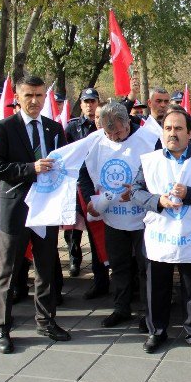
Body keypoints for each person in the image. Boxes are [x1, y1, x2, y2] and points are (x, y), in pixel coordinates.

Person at [126, 109, 191, 357]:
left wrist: (189, 194)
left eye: (178, 128)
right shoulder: (149, 161)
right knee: (156, 287)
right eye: (168, 128)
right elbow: (136, 193)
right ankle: (157, 332)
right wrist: (158, 200)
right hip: (160, 235)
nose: (173, 133)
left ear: (190, 133)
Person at [0, 75, 71, 354]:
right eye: (29, 96)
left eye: (38, 96)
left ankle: (46, 321)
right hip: (16, 209)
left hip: (46, 209)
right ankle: (1, 328)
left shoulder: (53, 127)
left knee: (46, 267)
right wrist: (29, 168)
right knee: (8, 271)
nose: (34, 101)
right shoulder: (3, 128)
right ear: (18, 98)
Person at [79, 102, 158, 330]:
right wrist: (89, 199)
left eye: (119, 132)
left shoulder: (149, 139)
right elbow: (84, 174)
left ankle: (149, 312)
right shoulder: (95, 142)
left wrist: (136, 192)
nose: (113, 137)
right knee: (119, 265)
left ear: (128, 124)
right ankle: (121, 307)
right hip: (112, 217)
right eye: (108, 132)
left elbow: (161, 174)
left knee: (146, 267)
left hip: (143, 217)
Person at [64, 88, 110, 299]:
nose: (99, 120)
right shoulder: (77, 131)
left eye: (103, 117)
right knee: (93, 239)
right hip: (89, 195)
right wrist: (90, 196)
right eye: (86, 102)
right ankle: (100, 281)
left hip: (115, 197)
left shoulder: (117, 136)